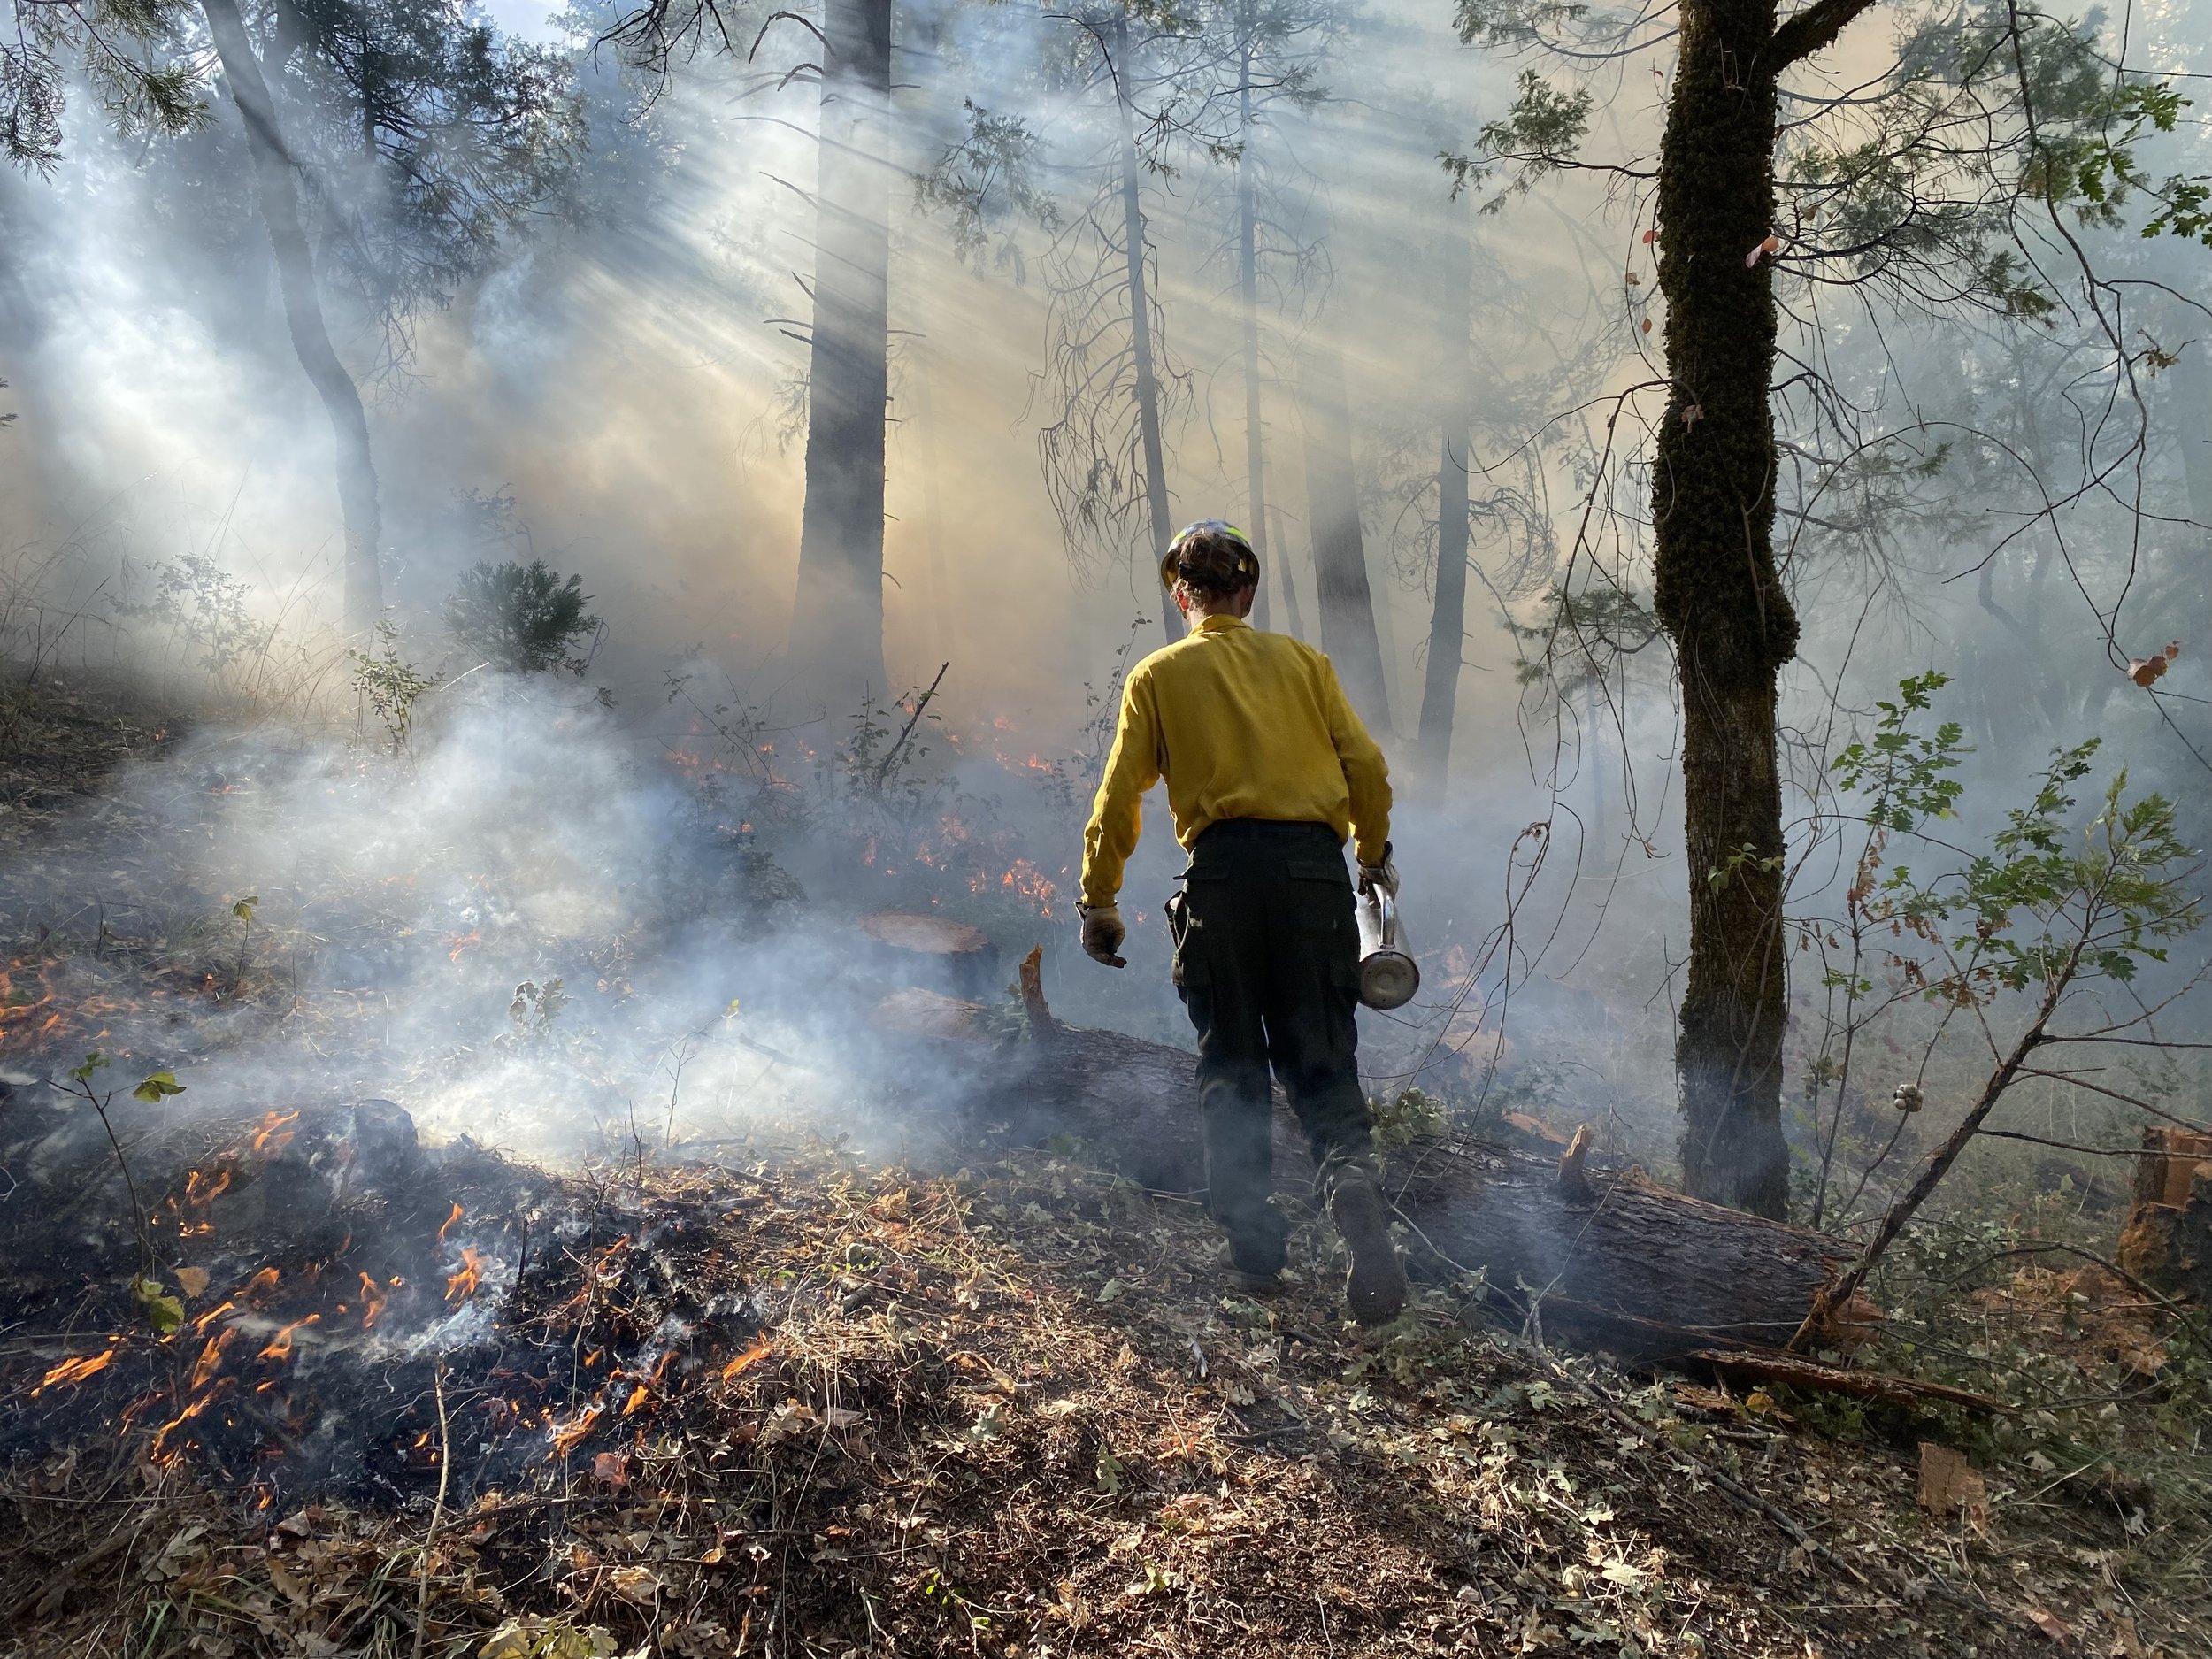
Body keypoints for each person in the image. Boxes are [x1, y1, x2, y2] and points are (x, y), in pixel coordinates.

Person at [1076, 520, 1410, 1325]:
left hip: (1221, 881)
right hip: (1311, 878)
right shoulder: (1302, 663)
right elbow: (1364, 764)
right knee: (1323, 1061)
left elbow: (1121, 795)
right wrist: (1370, 852)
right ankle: (1352, 1183)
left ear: (1182, 595)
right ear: (1248, 591)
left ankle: (1258, 1253)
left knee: (1231, 1060)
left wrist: (1100, 899)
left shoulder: (1159, 674)